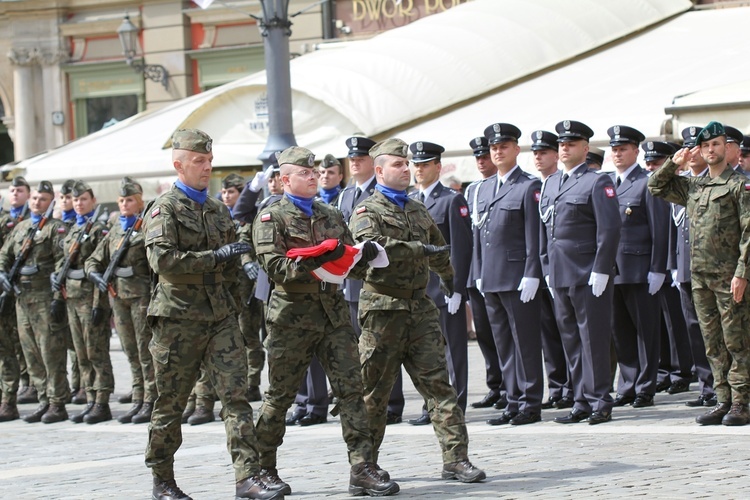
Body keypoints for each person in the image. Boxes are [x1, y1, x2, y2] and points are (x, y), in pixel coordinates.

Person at [252, 146, 399, 497]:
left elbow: (347, 261)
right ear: (285, 179)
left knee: (352, 391)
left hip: (332, 317)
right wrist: (317, 259)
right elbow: (276, 268)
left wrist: (367, 257)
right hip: (291, 318)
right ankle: (262, 467)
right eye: (305, 173)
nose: (313, 176)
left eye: (315, 171)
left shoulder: (331, 213)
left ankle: (362, 466)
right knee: (280, 396)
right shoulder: (272, 218)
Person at [143, 129, 279, 499]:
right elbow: (162, 260)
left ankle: (247, 477)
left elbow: (234, 262)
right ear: (179, 164)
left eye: (209, 161)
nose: (207, 167)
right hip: (177, 320)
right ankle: (163, 480)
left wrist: (241, 297)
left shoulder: (218, 209)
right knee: (170, 403)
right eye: (199, 161)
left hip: (220, 317)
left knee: (236, 398)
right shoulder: (163, 208)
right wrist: (213, 259)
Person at [350, 138, 486, 484]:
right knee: (374, 393)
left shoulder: (417, 208)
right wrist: (418, 249)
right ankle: (364, 467)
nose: (406, 168)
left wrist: (450, 279)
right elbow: (374, 249)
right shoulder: (367, 211)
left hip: (419, 309)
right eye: (397, 164)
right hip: (383, 310)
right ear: (378, 170)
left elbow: (439, 248)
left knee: (440, 387)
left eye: (406, 163)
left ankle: (456, 459)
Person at [648, 121, 750, 427]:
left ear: (728, 148)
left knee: (737, 340)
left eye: (716, 144)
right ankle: (722, 400)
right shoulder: (694, 186)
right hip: (701, 277)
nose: (710, 150)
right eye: (705, 146)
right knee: (712, 342)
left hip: (729, 277)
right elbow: (656, 186)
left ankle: (741, 402)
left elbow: (749, 232)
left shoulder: (739, 185)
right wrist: (673, 163)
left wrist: (742, 272)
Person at [539, 120, 621, 425]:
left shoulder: (597, 182)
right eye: (561, 144)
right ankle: (581, 399)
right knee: (571, 339)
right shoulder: (550, 183)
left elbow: (610, 228)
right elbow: (546, 230)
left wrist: (602, 269)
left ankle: (601, 399)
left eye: (571, 144)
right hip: (560, 274)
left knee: (594, 339)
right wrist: (546, 266)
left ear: (585, 148)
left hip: (588, 274)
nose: (564, 148)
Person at [477, 123, 544, 426]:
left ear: (516, 150)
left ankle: (530, 401)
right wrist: (479, 272)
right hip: (492, 276)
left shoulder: (528, 186)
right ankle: (512, 398)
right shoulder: (486, 187)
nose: (497, 151)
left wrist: (532, 273)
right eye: (494, 147)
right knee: (503, 342)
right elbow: (481, 236)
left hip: (518, 276)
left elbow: (534, 234)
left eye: (503, 146)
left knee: (525, 342)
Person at [338, 136, 404, 425]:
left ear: (373, 165)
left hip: (382, 284)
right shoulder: (345, 196)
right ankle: (368, 400)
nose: (354, 162)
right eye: (351, 158)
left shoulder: (385, 195)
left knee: (388, 345)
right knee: (362, 347)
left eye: (360, 158)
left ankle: (393, 403)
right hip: (353, 282)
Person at [408, 140, 472, 424]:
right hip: (418, 290)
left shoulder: (450, 199)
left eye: (425, 165)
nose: (419, 170)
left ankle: (454, 405)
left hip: (443, 288)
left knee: (453, 350)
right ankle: (431, 406)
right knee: (425, 354)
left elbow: (461, 247)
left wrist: (456, 288)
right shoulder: (410, 201)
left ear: (437, 166)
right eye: (416, 165)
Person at [605, 126, 669, 410]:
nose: (618, 154)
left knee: (646, 331)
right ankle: (627, 385)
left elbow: (660, 228)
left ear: (636, 151)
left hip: (640, 268)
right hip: (613, 270)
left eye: (623, 149)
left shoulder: (648, 182)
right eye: (615, 150)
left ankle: (645, 386)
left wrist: (658, 268)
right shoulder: (607, 184)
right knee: (621, 332)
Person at [86, 179, 157, 424]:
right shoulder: (116, 227)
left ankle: (151, 399)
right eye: (122, 200)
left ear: (139, 200)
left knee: (145, 350)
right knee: (130, 351)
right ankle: (138, 398)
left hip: (142, 297)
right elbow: (95, 258)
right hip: (119, 298)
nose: (125, 204)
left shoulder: (147, 225)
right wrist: (94, 272)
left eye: (129, 199)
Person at [0, 181, 69, 424]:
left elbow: (63, 263)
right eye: (35, 198)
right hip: (22, 300)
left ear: (51, 202)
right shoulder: (20, 229)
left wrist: (58, 299)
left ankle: (57, 402)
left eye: (42, 199)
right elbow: (5, 255)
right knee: (31, 354)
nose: (37, 202)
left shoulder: (56, 229)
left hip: (44, 299)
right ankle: (42, 399)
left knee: (51, 353)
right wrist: (3, 273)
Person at [53, 181, 114, 424]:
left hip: (91, 298)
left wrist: (100, 304)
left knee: (96, 351)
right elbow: (62, 262)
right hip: (73, 299)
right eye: (75, 200)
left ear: (93, 201)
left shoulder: (99, 229)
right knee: (81, 353)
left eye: (83, 199)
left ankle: (102, 401)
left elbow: (103, 268)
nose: (78, 203)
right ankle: (89, 398)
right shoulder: (73, 230)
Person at [664, 129, 716, 408]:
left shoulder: (717, 181)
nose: (692, 152)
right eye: (687, 148)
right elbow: (675, 228)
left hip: (713, 271)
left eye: (697, 147)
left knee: (717, 331)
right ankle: (707, 387)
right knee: (694, 330)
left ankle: (725, 388)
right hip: (686, 269)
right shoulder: (681, 184)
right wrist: (673, 264)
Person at [530, 129, 573, 410]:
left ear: (555, 156)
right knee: (548, 333)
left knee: (567, 331)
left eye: (543, 152)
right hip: (542, 271)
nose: (538, 157)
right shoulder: (539, 186)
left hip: (564, 268)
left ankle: (572, 386)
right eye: (535, 153)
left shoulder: (558, 183)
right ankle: (557, 386)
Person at [464, 136, 506, 411]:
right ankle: (495, 384)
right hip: (474, 271)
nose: (482, 161)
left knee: (503, 333)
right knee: (485, 334)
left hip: (500, 270)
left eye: (485, 156)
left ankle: (508, 386)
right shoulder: (472, 190)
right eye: (477, 158)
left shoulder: (499, 187)